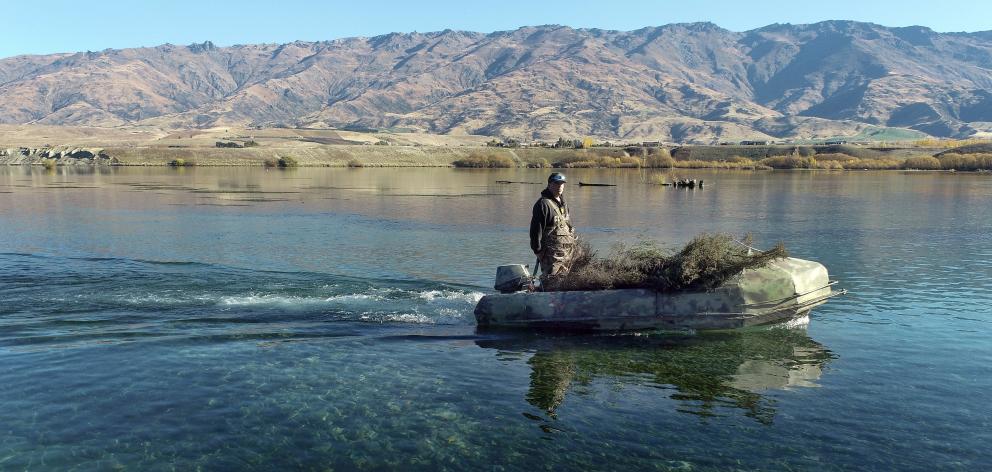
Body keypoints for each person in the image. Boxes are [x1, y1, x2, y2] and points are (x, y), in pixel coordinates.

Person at [530, 172, 577, 279]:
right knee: (551, 281)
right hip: (551, 256)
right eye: (556, 183)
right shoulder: (543, 204)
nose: (559, 186)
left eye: (562, 184)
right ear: (549, 184)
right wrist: (537, 250)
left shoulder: (563, 204)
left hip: (567, 252)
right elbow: (535, 230)